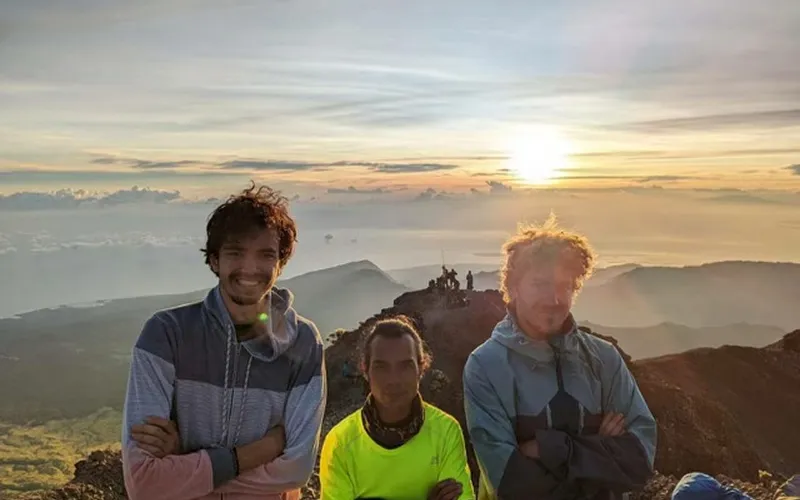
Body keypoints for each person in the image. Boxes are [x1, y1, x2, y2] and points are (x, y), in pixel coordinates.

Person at [121, 182, 327, 500]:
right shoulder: (165, 334)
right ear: (214, 261)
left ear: (280, 264)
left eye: (265, 255)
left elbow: (297, 469)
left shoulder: (303, 342)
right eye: (235, 253)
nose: (250, 268)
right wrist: (265, 448)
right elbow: (143, 483)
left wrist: (182, 465)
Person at [462, 214, 657, 500]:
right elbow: (510, 481)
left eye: (565, 286)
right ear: (513, 288)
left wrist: (548, 448)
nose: (554, 299)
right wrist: (599, 452)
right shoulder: (485, 367)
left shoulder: (604, 359)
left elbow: (639, 460)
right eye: (541, 284)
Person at [320, 316, 475, 500]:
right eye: (381, 367)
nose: (393, 380)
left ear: (421, 368)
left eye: (405, 366)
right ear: (365, 370)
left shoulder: (446, 432)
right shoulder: (341, 443)